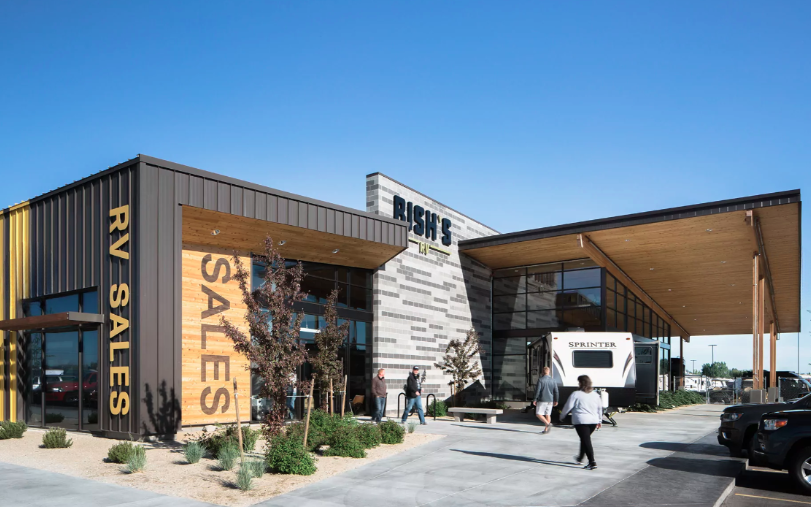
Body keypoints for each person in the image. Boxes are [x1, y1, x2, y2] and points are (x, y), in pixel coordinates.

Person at [560, 375, 603, 470]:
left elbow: (568, 406)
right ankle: (580, 458)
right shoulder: (596, 395)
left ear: (581, 383)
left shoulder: (576, 394)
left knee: (586, 440)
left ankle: (592, 462)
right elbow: (600, 408)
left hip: (581, 420)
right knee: (585, 439)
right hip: (593, 421)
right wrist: (600, 420)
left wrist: (562, 415)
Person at [532, 366, 559, 433]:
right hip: (550, 400)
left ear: (542, 372)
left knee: (538, 414)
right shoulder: (553, 380)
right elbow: (556, 391)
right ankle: (546, 430)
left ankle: (548, 424)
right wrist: (556, 400)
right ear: (549, 372)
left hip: (542, 399)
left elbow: (538, 391)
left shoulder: (540, 380)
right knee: (548, 414)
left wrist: (535, 399)